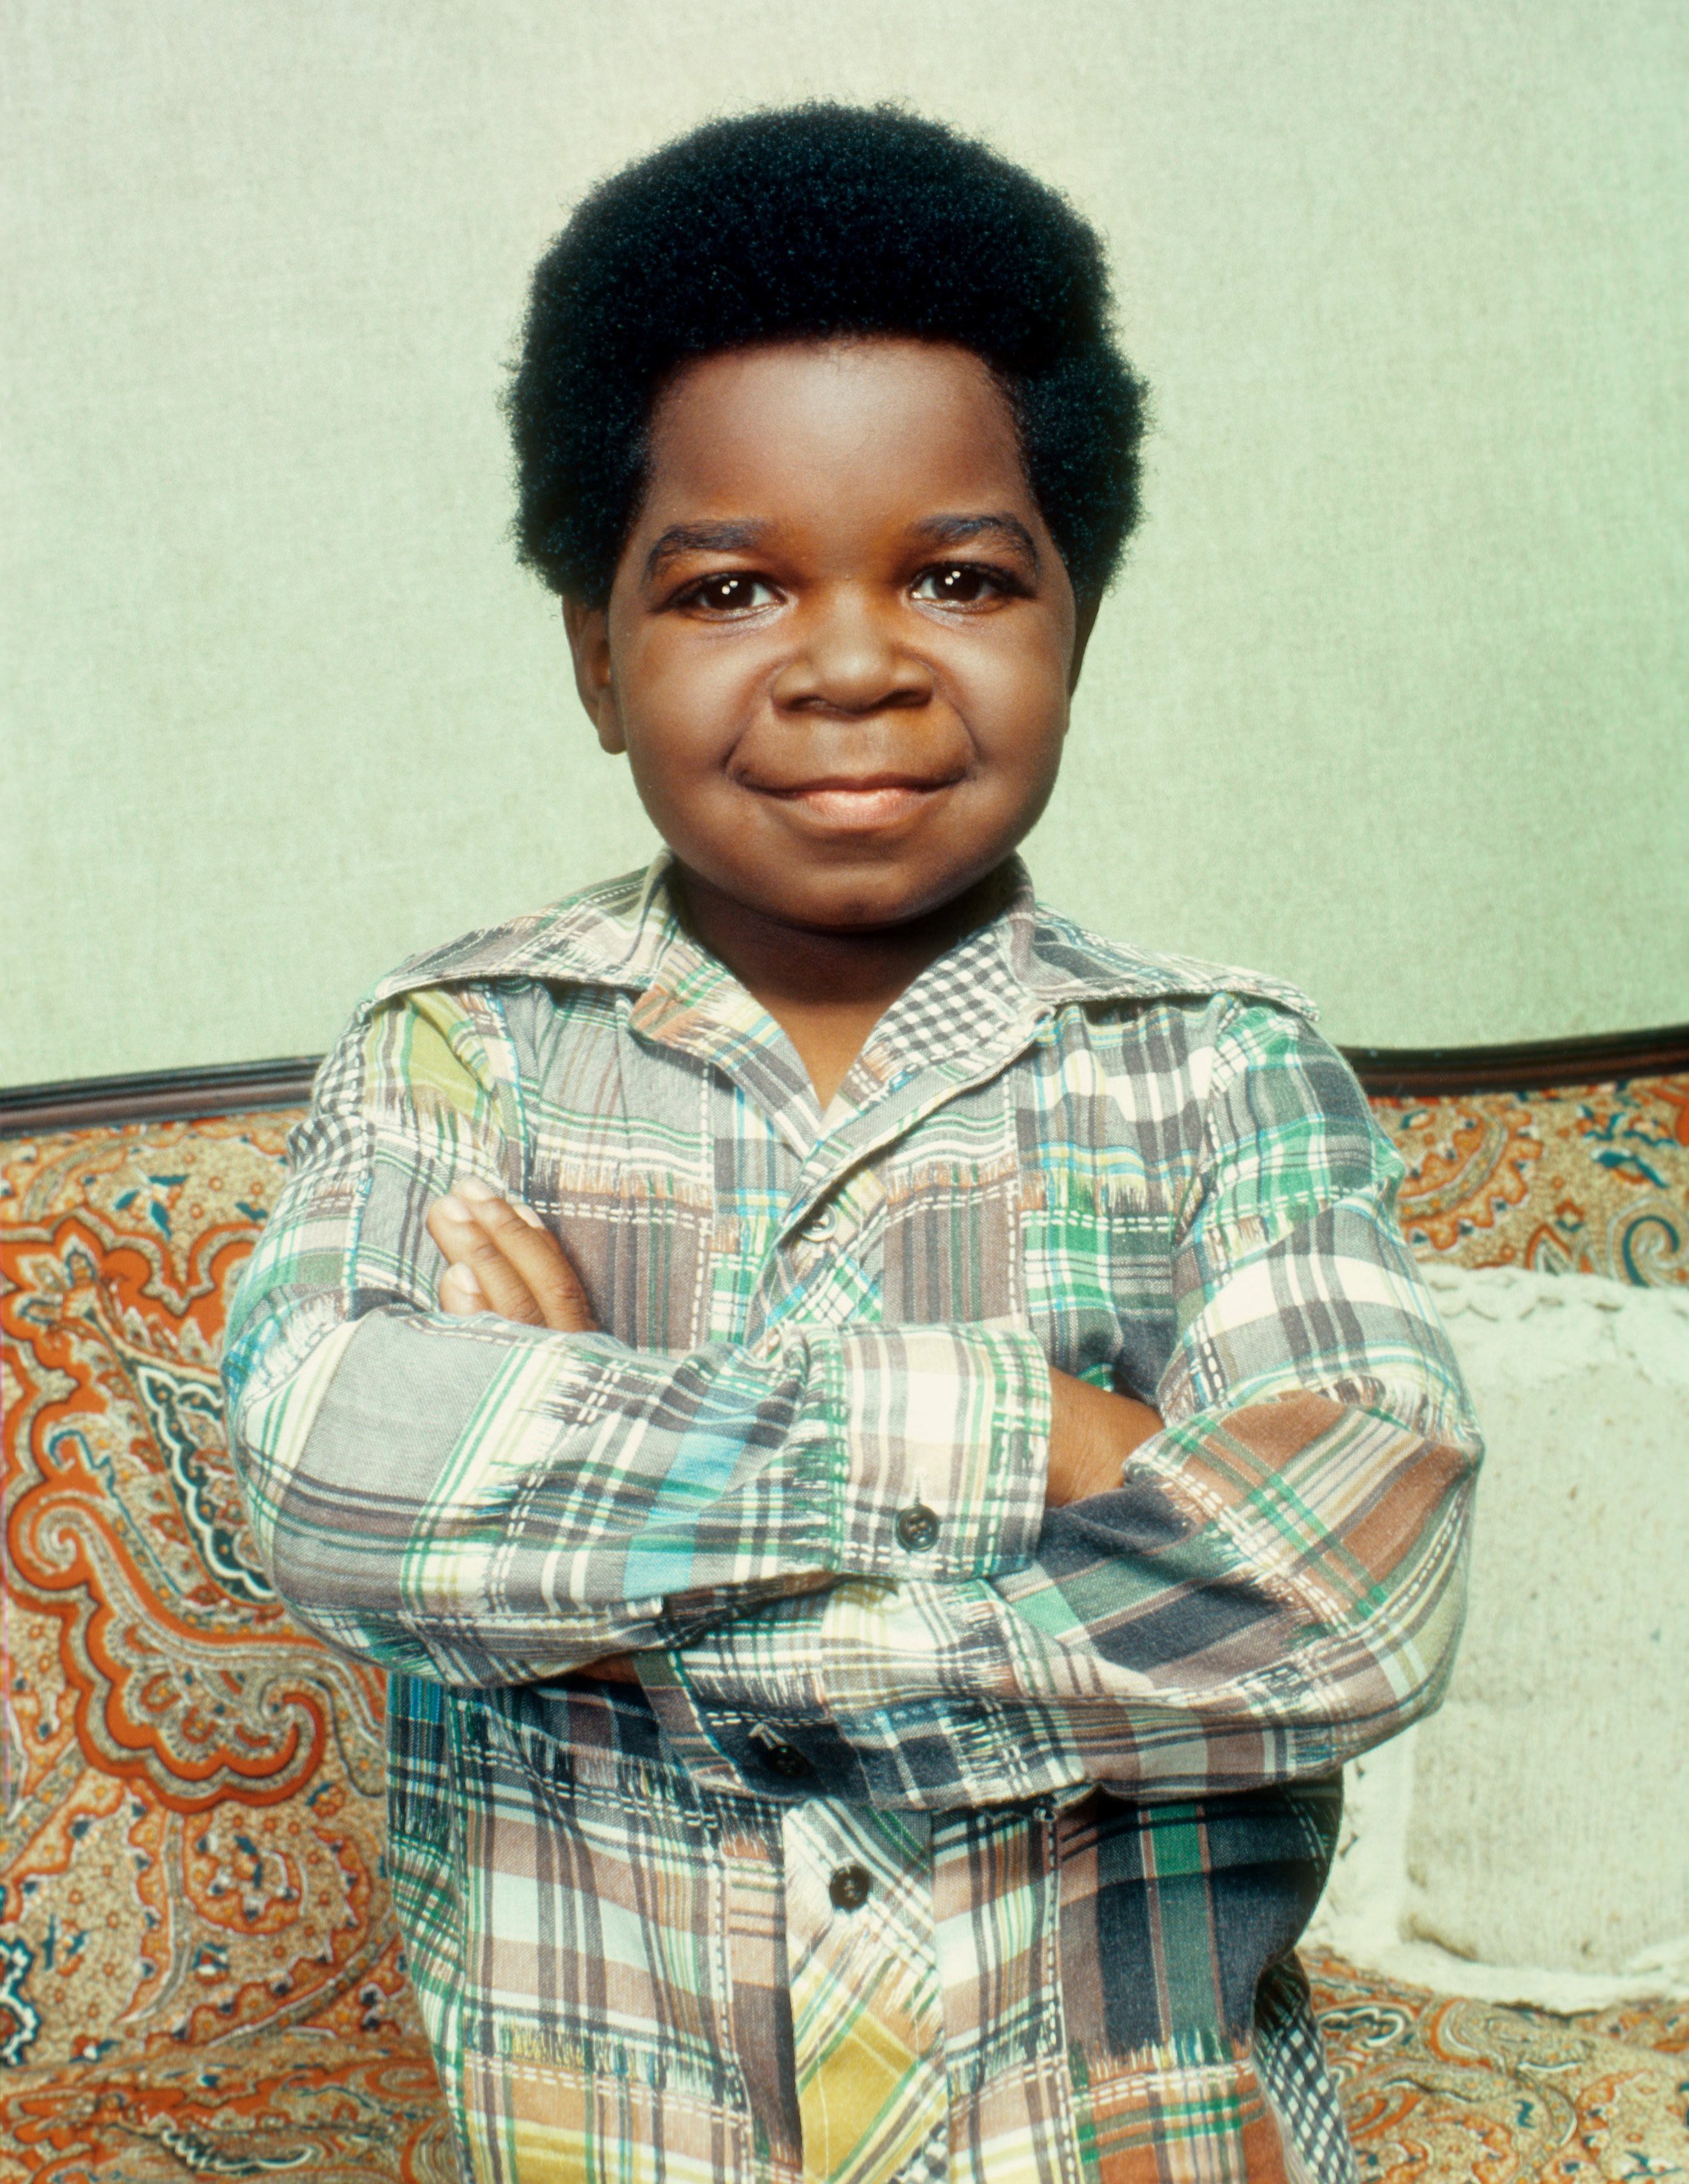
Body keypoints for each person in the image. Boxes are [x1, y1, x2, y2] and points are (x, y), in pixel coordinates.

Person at [223, 104, 1479, 2184]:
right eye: (729, 587)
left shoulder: (1224, 1074)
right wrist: (1035, 1446)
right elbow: (331, 1456)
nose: (853, 664)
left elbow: (1353, 1587)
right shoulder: (464, 1055)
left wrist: (602, 1553)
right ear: (595, 660)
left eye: (960, 574)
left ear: (1077, 620)